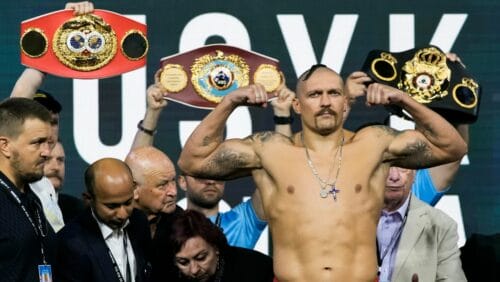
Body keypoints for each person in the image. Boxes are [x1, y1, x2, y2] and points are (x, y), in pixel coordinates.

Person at [178, 64, 467, 281]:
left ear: (345, 103)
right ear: (297, 104)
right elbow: (193, 161)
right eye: (315, 94)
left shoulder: (375, 144)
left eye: (334, 93)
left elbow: (451, 148)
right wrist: (229, 103)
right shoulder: (270, 151)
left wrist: (405, 101)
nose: (326, 102)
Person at [54, 158, 151, 282]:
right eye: (112, 206)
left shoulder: (139, 221)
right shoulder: (71, 243)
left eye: (128, 203)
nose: (122, 214)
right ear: (88, 199)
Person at [377, 166, 466, 281]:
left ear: (415, 174)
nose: (394, 176)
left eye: (403, 167)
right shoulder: (347, 216)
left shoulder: (441, 226)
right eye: (386, 166)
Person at [0, 98, 55, 281]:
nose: (46, 152)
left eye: (48, 142)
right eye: (37, 142)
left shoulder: (32, 198)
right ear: (5, 146)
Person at [161, 209, 274, 282]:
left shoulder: (256, 269)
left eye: (201, 258)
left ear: (216, 247)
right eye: (183, 262)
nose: (194, 270)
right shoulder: (167, 275)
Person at [45, 141, 85, 223]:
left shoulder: (78, 209)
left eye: (60, 160)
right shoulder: (19, 207)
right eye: (47, 159)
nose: (56, 167)